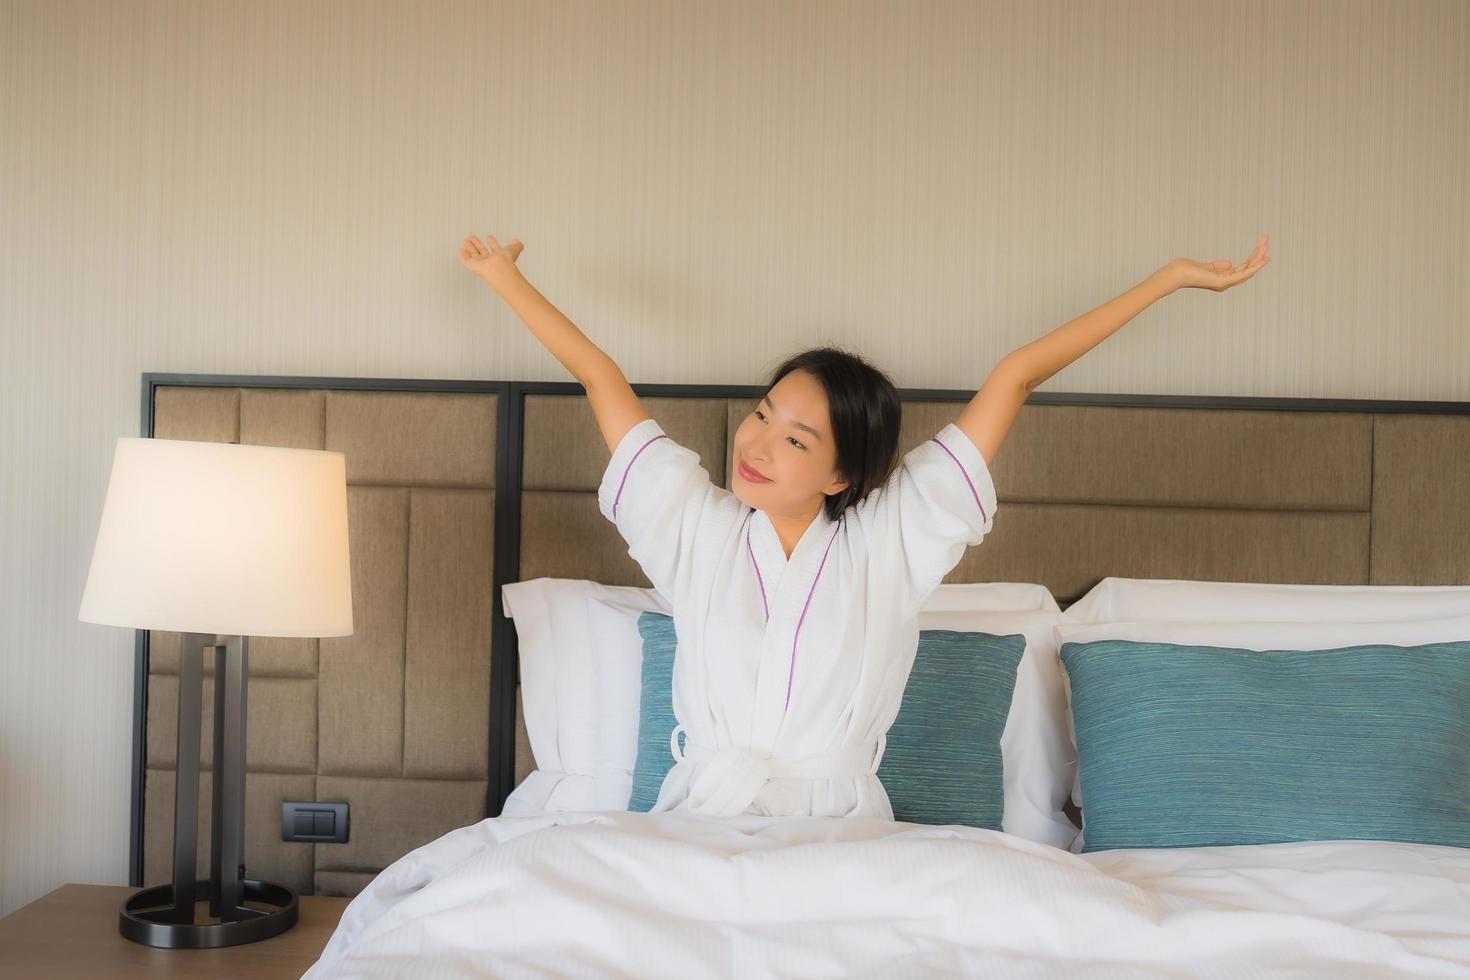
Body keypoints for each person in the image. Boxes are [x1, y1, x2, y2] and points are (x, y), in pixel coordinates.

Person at [458, 232, 1271, 820]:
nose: (758, 444)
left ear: (842, 474)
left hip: (839, 834)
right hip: (702, 822)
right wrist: (504, 279)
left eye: (795, 439)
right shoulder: (693, 527)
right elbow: (601, 378)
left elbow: (1015, 376)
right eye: (762, 414)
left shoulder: (889, 544)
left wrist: (1166, 280)